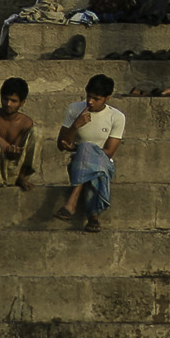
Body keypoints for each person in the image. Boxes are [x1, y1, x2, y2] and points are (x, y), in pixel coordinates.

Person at [57, 74, 124, 232]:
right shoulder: (75, 109)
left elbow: (108, 152)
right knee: (86, 151)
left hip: (104, 164)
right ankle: (93, 217)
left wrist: (81, 149)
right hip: (77, 164)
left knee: (87, 149)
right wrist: (75, 126)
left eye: (96, 98)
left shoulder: (117, 117)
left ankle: (72, 203)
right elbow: (61, 144)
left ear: (107, 98)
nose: (90, 102)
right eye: (88, 96)